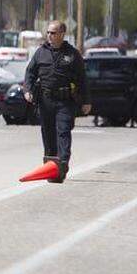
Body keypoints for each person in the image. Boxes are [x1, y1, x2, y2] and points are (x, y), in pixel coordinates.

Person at [23, 20, 89, 183]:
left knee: (63, 131)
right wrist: (27, 90)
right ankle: (51, 165)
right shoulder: (40, 53)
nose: (50, 36)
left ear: (62, 34)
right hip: (45, 100)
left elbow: (82, 80)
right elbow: (30, 74)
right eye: (48, 33)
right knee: (48, 133)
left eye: (53, 33)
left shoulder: (72, 54)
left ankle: (63, 164)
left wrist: (86, 101)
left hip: (65, 101)